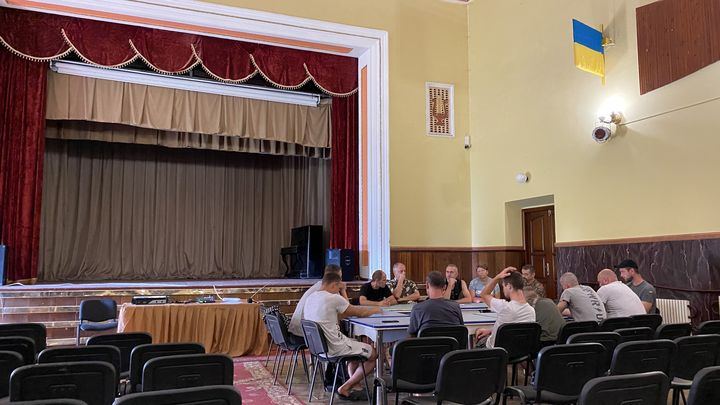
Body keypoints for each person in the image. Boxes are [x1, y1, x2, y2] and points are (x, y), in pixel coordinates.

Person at [304, 272, 382, 400]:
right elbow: (359, 312)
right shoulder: (333, 298)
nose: (339, 291)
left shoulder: (311, 298)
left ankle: (355, 383)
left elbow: (340, 314)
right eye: (339, 288)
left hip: (318, 349)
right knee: (373, 354)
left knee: (354, 344)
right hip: (335, 348)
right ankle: (346, 387)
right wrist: (378, 309)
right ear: (335, 285)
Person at [474, 267, 536, 348]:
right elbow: (516, 331)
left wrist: (497, 277)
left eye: (503, 286)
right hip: (519, 352)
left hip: (495, 351)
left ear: (509, 287)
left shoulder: (504, 307)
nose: (503, 290)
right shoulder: (531, 310)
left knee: (478, 332)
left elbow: (484, 295)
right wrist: (491, 331)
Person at [288, 264, 348, 339]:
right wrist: (343, 290)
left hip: (297, 330)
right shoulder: (330, 289)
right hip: (306, 335)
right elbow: (347, 310)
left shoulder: (318, 286)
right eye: (340, 278)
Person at [407, 271, 464, 336]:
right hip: (451, 345)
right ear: (444, 287)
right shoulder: (455, 307)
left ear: (427, 285)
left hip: (426, 345)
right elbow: (461, 330)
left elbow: (411, 334)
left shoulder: (417, 308)